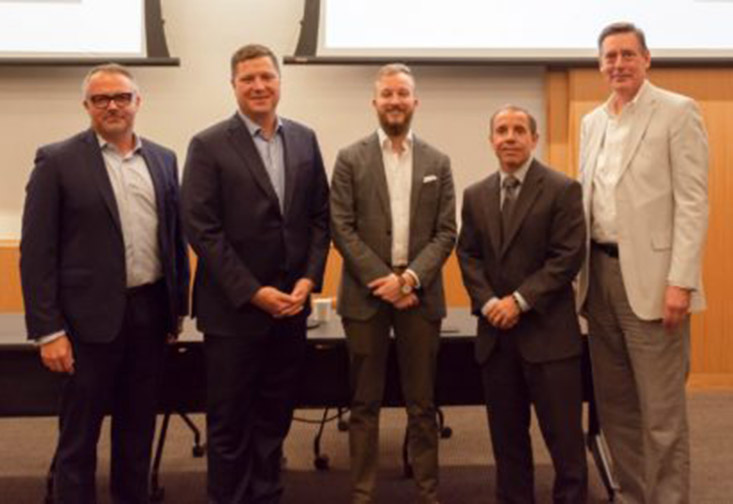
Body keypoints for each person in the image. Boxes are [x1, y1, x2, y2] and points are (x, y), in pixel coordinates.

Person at [19, 63, 190, 504]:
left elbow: (172, 238)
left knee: (137, 433)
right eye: (101, 99)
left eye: (121, 97)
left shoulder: (163, 158)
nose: (112, 106)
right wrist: (48, 331)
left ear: (138, 102)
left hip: (149, 316)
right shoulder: (57, 160)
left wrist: (175, 310)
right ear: (86, 106)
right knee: (79, 440)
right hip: (84, 325)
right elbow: (37, 253)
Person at [181, 44, 330, 504]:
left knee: (274, 418)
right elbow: (201, 229)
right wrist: (253, 292)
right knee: (229, 423)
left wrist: (308, 281)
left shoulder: (304, 139)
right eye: (248, 79)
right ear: (233, 86)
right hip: (234, 312)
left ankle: (266, 495)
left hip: (290, 310)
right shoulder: (208, 145)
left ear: (279, 82)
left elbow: (320, 218)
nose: (259, 86)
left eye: (266, 77)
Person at [576, 22, 709, 504]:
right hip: (599, 278)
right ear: (600, 64)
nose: (618, 64)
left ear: (646, 59)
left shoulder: (677, 112)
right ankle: (633, 496)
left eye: (628, 55)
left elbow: (693, 203)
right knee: (616, 411)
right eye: (609, 56)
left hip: (656, 284)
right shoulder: (592, 122)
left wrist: (682, 282)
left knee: (661, 413)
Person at [330, 63, 456, 504]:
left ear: (414, 101)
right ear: (375, 102)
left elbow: (446, 232)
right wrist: (384, 280)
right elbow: (341, 227)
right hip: (366, 295)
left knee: (422, 405)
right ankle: (363, 493)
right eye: (387, 94)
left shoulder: (438, 162)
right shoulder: (349, 158)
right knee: (363, 405)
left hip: (419, 296)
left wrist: (409, 279)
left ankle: (428, 492)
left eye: (403, 93)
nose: (395, 101)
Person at [457, 105, 588, 504]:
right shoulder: (475, 194)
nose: (509, 137)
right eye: (501, 130)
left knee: (565, 444)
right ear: (492, 140)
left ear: (535, 139)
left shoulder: (563, 189)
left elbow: (567, 257)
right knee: (507, 443)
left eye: (518, 130)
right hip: (497, 340)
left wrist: (519, 301)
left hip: (549, 337)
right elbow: (469, 257)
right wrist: (489, 302)